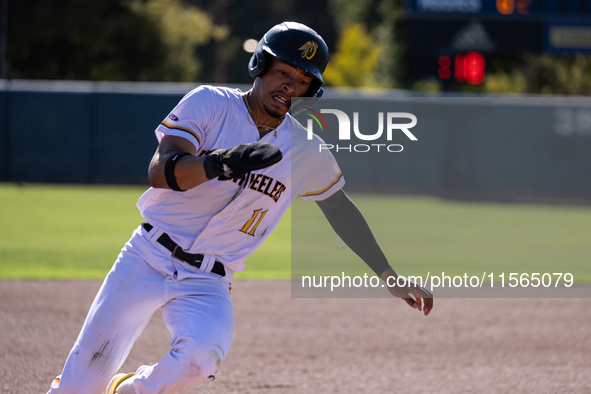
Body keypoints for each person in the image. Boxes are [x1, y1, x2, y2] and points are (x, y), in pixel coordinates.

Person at [47, 21, 433, 394]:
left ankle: (127, 391)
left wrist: (388, 274)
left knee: (199, 360)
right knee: (80, 385)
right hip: (148, 256)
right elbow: (159, 171)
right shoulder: (211, 103)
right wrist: (219, 163)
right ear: (259, 66)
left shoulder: (306, 150)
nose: (290, 86)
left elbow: (340, 210)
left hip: (209, 281)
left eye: (302, 81)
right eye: (284, 71)